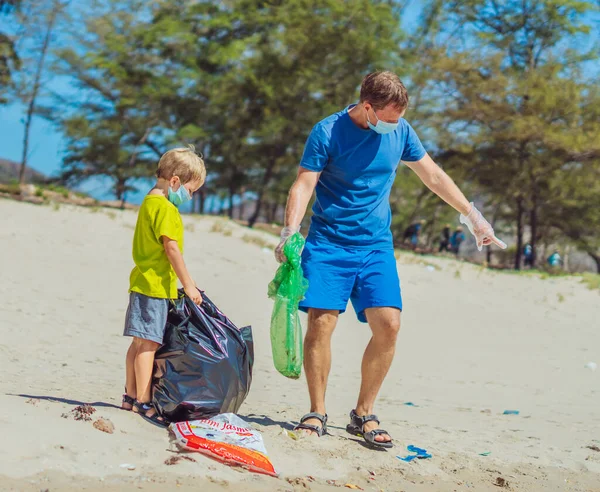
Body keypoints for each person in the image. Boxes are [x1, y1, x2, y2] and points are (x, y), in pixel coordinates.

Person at [274, 71, 506, 449]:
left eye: (400, 117)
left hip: (375, 246)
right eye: (390, 117)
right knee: (321, 324)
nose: (396, 125)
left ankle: (363, 413)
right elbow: (305, 182)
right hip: (330, 243)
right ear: (367, 107)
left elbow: (432, 175)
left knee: (389, 325)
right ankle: (316, 411)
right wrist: (289, 229)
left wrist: (472, 216)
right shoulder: (328, 131)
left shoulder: (401, 131)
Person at [121, 146, 206, 427]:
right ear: (175, 182)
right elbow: (172, 249)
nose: (189, 197)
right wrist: (189, 285)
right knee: (150, 344)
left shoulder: (148, 201)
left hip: (140, 281)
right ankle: (145, 401)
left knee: (138, 342)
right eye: (191, 191)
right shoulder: (167, 209)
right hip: (156, 286)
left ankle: (130, 396)